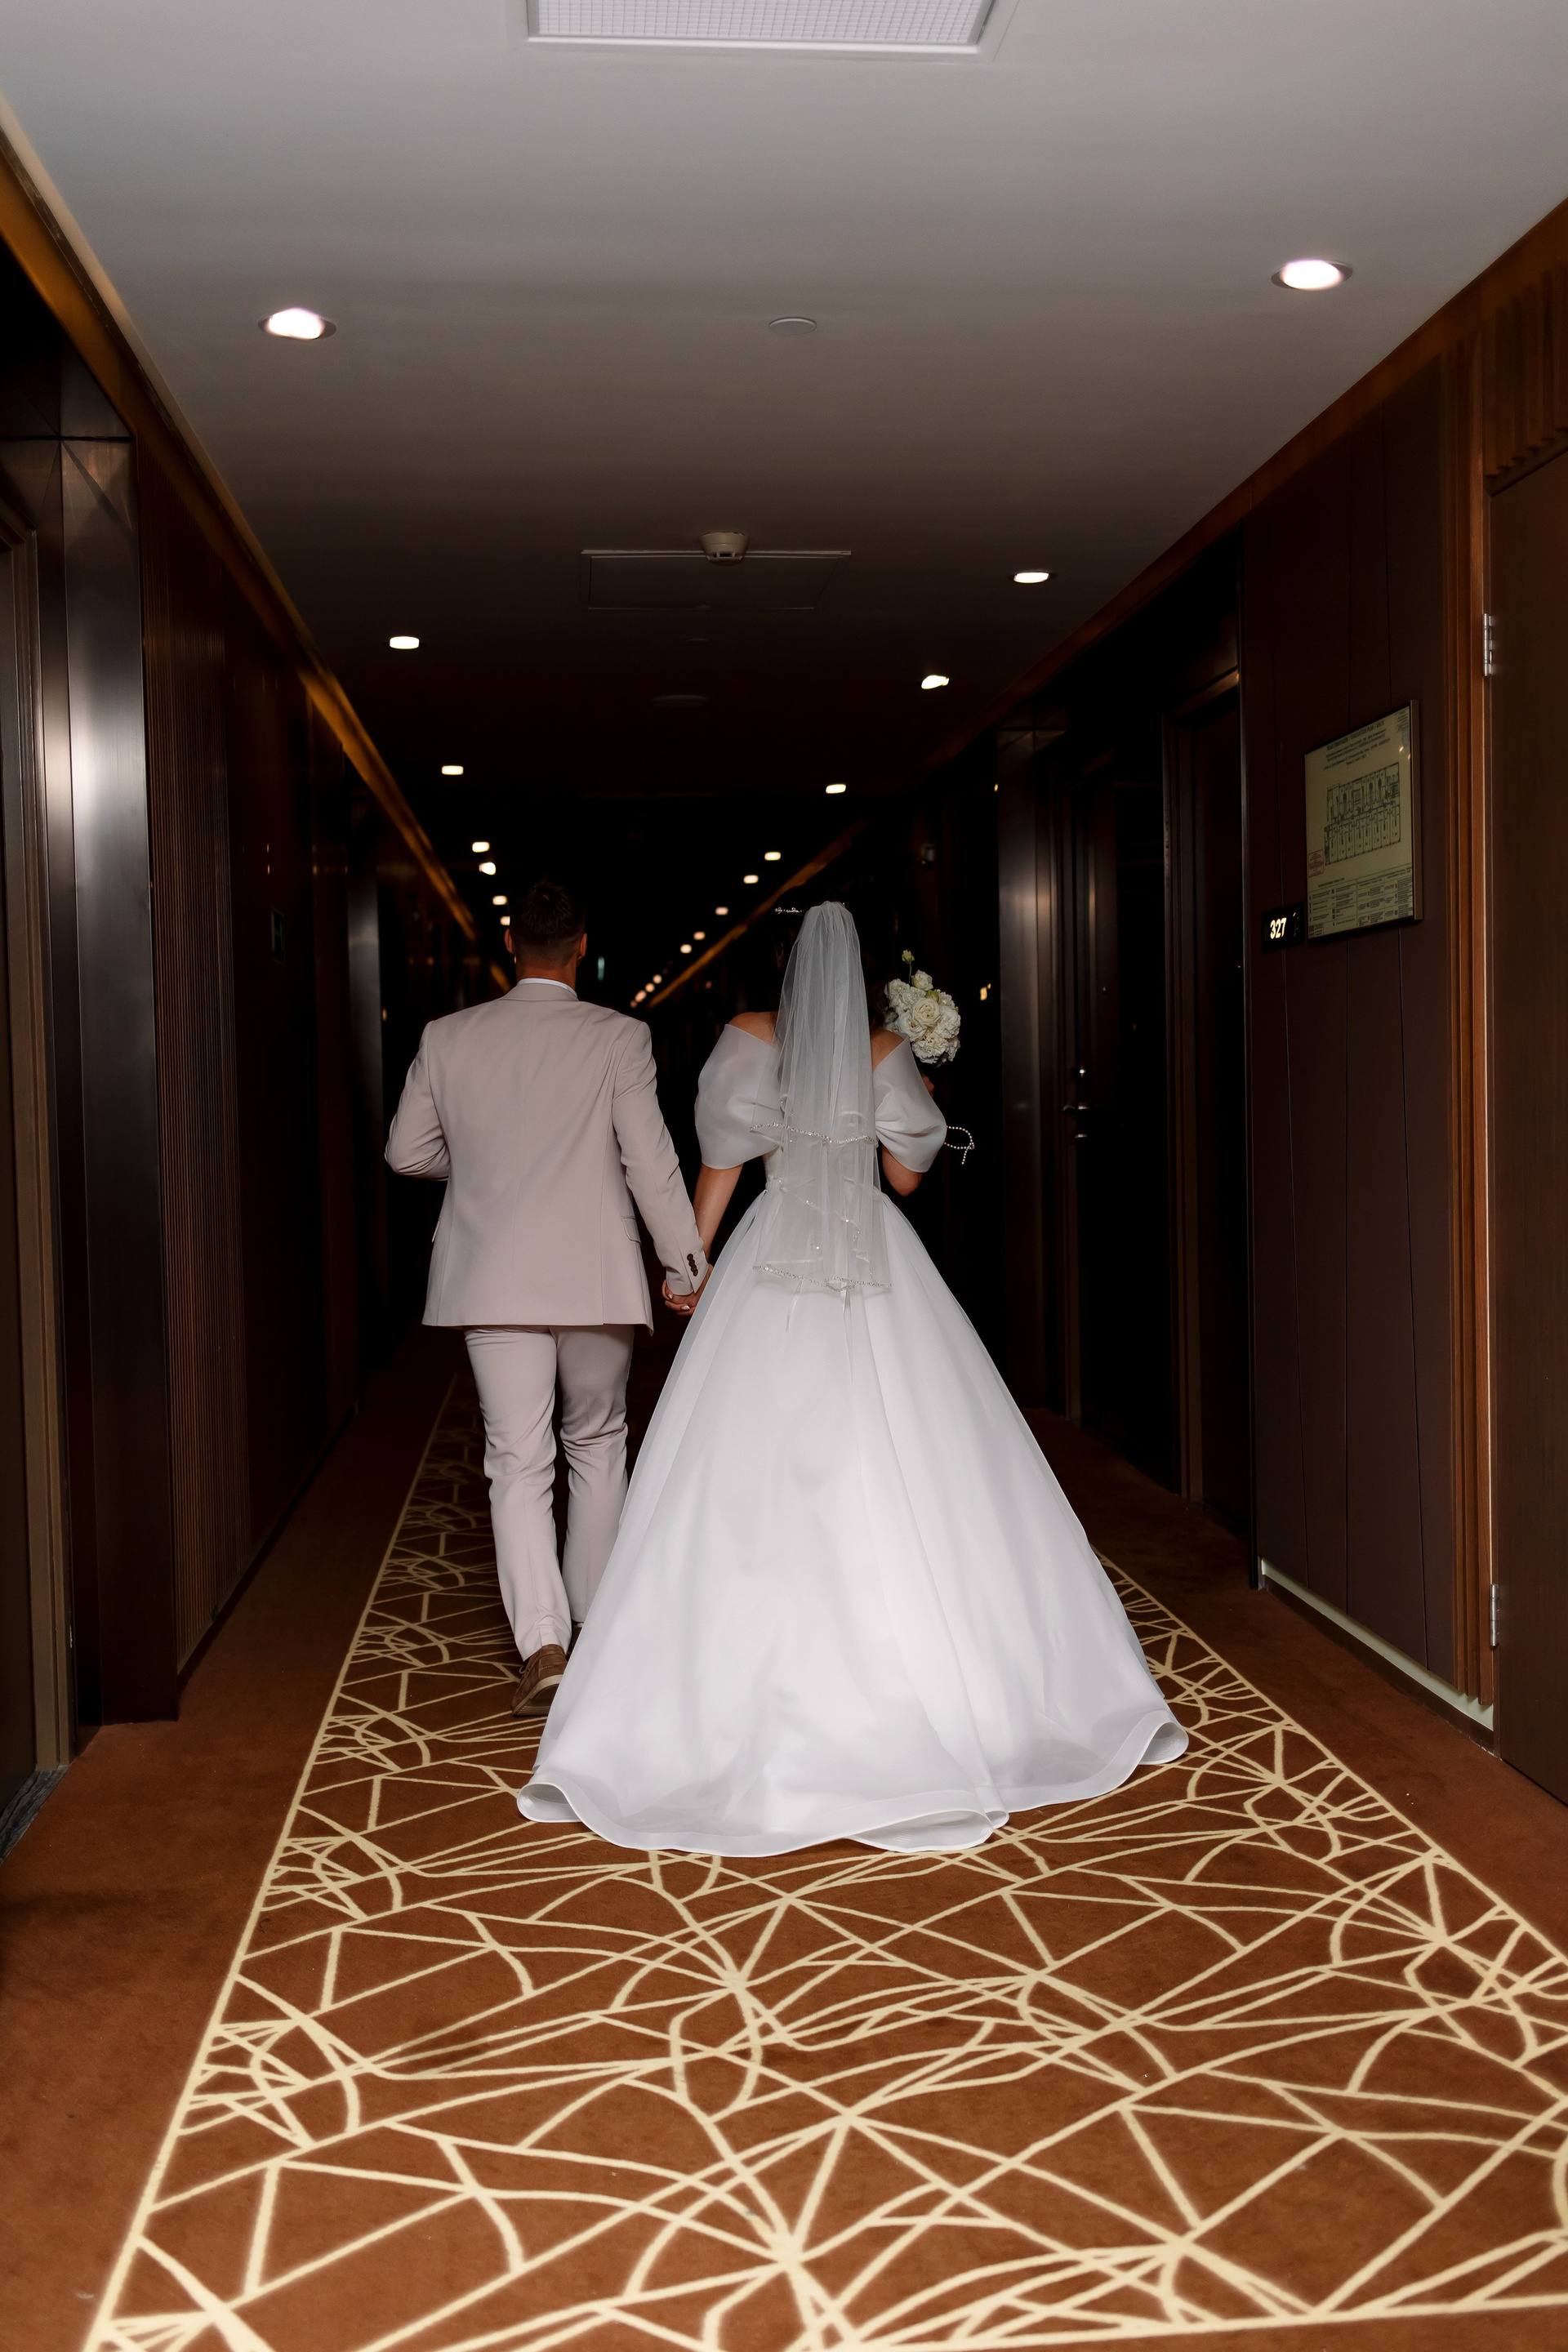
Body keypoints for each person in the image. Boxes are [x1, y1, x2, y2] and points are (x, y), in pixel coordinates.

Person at [518, 902, 1186, 1855]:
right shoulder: (883, 1049)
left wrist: (688, 1267)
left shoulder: (746, 1037)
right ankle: (942, 1693)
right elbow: (905, 1179)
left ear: (781, 967)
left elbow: (721, 1167)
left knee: (738, 1472)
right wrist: (911, 1089)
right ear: (864, 973)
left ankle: (710, 1702)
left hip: (772, 1261)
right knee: (915, 1457)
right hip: (873, 1260)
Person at [385, 878, 709, 1718]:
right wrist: (685, 1264)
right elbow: (649, 1160)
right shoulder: (618, 1036)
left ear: (510, 944)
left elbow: (405, 1152)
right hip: (594, 1274)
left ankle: (544, 1646)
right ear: (580, 946)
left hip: (493, 1276)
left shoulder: (448, 1036)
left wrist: (488, 1171)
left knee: (516, 1458)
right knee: (597, 1440)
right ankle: (594, 1628)